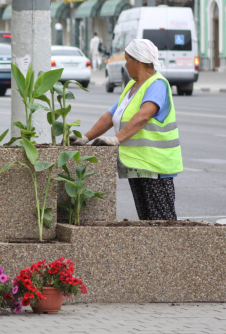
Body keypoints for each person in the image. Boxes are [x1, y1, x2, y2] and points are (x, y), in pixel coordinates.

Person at [70, 39, 183, 221]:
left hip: (155, 168)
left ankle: (172, 251)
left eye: (127, 59)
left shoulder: (158, 84)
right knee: (146, 220)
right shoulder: (132, 86)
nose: (125, 64)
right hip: (137, 166)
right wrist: (85, 137)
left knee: (163, 223)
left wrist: (116, 139)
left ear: (138, 61)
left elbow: (144, 116)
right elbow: (110, 116)